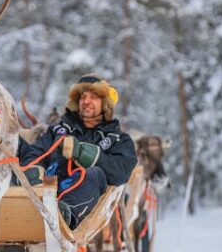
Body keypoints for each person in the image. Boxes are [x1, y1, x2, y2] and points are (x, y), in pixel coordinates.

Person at [19, 74, 138, 229]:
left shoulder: (119, 139)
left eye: (93, 97)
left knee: (96, 173)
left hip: (79, 198)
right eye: (82, 97)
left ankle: (64, 215)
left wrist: (86, 154)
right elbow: (37, 152)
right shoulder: (58, 130)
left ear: (105, 103)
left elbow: (122, 170)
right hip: (43, 190)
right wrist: (33, 169)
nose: (86, 102)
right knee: (14, 143)